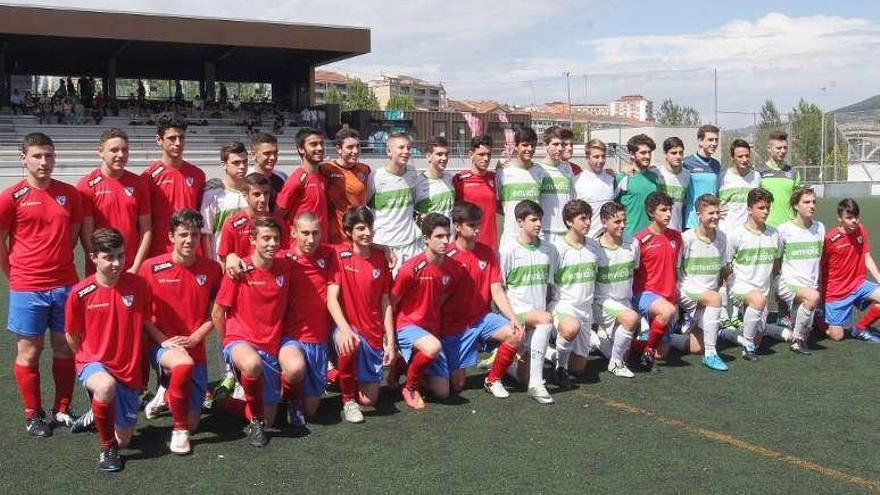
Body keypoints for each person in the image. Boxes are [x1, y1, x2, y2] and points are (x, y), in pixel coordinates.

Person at [0, 132, 82, 437]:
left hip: (64, 285)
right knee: (30, 351)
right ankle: (33, 414)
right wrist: (15, 277)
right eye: (37, 156)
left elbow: (73, 234)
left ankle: (62, 408)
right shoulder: (11, 196)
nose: (44, 161)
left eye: (49, 155)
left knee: (65, 347)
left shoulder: (69, 194)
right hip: (27, 287)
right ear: (24, 158)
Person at [65, 228, 152, 471]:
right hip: (94, 363)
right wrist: (85, 360)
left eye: (121, 256)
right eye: (109, 257)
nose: (117, 263)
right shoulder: (80, 293)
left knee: (125, 441)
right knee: (104, 386)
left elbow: (145, 321)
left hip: (128, 368)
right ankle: (106, 448)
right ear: (93, 257)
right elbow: (72, 335)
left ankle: (98, 413)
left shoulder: (139, 285)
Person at [139, 210, 221, 454]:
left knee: (196, 422)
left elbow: (215, 316)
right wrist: (163, 340)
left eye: (195, 235)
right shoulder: (151, 268)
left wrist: (196, 338)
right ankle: (179, 430)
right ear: (170, 237)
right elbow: (140, 314)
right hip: (161, 346)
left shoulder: (213, 269)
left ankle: (167, 390)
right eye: (183, 234)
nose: (189, 240)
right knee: (181, 367)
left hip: (195, 347)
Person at [211, 217, 291, 447]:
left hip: (270, 346)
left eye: (276, 238)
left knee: (271, 419)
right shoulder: (239, 270)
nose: (272, 243)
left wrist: (382, 247)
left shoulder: (285, 266)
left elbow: (310, 248)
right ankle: (254, 422)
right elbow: (218, 313)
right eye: (266, 238)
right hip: (240, 341)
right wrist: (229, 347)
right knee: (251, 364)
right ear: (253, 240)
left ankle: (223, 403)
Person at [443, 201, 524, 398]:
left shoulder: (487, 252)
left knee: (515, 333)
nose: (477, 229)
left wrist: (513, 317)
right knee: (456, 386)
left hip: (482, 319)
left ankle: (493, 379)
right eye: (472, 225)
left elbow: (496, 291)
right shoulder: (446, 255)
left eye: (478, 224)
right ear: (458, 226)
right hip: (454, 327)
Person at [326, 206, 396, 423]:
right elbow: (331, 299)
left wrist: (391, 343)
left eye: (369, 228)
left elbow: (386, 303)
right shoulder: (337, 254)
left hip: (373, 333)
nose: (367, 232)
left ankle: (335, 376)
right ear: (348, 232)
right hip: (348, 329)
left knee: (369, 399)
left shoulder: (380, 258)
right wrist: (345, 328)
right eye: (360, 228)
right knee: (349, 343)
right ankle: (347, 400)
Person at [391, 213, 466, 410]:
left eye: (447, 236)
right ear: (426, 239)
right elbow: (393, 302)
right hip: (407, 326)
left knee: (443, 392)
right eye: (439, 236)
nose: (445, 241)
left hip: (431, 331)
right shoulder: (410, 269)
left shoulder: (453, 269)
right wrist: (389, 337)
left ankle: (402, 365)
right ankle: (410, 387)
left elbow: (441, 300)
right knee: (432, 348)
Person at [278, 212, 336, 426]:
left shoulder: (329, 253)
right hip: (291, 339)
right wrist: (232, 257)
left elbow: (356, 246)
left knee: (311, 410)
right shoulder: (282, 258)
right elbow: (255, 260)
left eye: (315, 233)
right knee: (294, 369)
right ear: (293, 232)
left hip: (319, 341)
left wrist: (382, 247)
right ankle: (289, 396)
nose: (311, 239)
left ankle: (293, 392)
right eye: (304, 233)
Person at [499, 200, 556, 404]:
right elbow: (500, 288)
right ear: (520, 222)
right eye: (533, 220)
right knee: (546, 319)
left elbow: (549, 286)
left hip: (537, 314)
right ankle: (537, 384)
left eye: (540, 219)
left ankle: (506, 365)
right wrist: (510, 318)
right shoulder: (508, 249)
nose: (538, 223)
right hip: (518, 311)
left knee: (521, 379)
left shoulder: (549, 250)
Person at [77, 128, 152, 275]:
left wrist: (136, 266)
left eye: (124, 150)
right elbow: (86, 234)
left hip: (130, 268)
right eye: (114, 150)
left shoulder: (139, 183)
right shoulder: (86, 185)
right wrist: (100, 264)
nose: (121, 155)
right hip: (100, 270)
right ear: (101, 152)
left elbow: (146, 230)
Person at [718, 188, 781, 361]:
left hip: (763, 292)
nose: (766, 212)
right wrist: (730, 285)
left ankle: (726, 334)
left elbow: (776, 264)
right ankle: (747, 348)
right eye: (761, 208)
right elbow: (726, 264)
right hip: (740, 287)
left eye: (767, 207)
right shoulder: (736, 235)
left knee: (758, 336)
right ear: (749, 209)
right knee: (757, 304)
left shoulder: (774, 234)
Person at [669, 194, 728, 371]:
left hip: (708, 296)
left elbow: (723, 268)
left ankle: (666, 337)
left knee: (696, 347)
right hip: (689, 291)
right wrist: (675, 295)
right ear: (698, 214)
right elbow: (675, 268)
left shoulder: (722, 237)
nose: (715, 217)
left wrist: (724, 287)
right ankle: (711, 354)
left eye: (717, 212)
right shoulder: (686, 238)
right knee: (714, 299)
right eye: (710, 213)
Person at [763, 187, 823, 353]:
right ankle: (798, 342)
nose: (812, 206)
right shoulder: (784, 230)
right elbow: (777, 261)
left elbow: (819, 262)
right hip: (788, 284)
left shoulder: (820, 228)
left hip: (810, 287)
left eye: (813, 202)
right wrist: (776, 285)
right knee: (812, 300)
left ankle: (766, 328)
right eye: (806, 202)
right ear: (796, 205)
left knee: (804, 326)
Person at [628, 192, 682, 371]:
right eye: (663, 210)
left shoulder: (676, 237)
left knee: (663, 355)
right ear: (651, 212)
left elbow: (675, 268)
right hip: (645, 294)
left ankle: (628, 345)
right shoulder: (640, 239)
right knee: (666, 311)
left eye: (670, 210)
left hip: (667, 297)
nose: (668, 214)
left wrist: (676, 291)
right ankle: (648, 350)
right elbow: (632, 272)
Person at [548, 199, 599, 386]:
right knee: (569, 328)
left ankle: (548, 353)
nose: (588, 223)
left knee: (578, 369)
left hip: (586, 310)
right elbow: (548, 284)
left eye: (589, 218)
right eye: (582, 218)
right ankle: (560, 369)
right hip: (564, 306)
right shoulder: (557, 248)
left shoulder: (594, 246)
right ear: (569, 222)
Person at [142, 115, 206, 257]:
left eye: (181, 138)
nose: (178, 143)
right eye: (172, 138)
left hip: (192, 252)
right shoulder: (148, 177)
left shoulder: (198, 175)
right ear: (159, 140)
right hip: (161, 253)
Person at [820, 198, 880, 342]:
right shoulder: (829, 239)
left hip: (858, 284)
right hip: (836, 292)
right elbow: (820, 267)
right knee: (837, 336)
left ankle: (859, 329)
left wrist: (878, 278)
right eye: (849, 217)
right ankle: (817, 317)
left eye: (856, 217)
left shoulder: (860, 230)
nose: (854, 221)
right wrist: (820, 295)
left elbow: (866, 256)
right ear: (839, 218)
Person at [592, 202, 640, 378]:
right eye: (617, 222)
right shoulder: (594, 248)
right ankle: (616, 364)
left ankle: (597, 339)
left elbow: (634, 270)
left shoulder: (633, 243)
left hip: (624, 302)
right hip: (602, 302)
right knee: (631, 319)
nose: (623, 225)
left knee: (627, 349)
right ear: (604, 222)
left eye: (624, 220)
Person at [367, 132, 421, 274]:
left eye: (408, 148)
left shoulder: (412, 171)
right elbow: (364, 207)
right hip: (386, 246)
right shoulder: (376, 177)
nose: (406, 152)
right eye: (401, 147)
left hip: (412, 244)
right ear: (389, 151)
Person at [217, 173, 286, 278]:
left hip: (270, 279)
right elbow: (223, 260)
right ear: (245, 195)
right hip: (244, 282)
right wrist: (230, 257)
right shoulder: (232, 225)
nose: (263, 199)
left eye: (266, 193)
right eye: (257, 194)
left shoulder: (278, 222)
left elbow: (284, 253)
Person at [277, 127, 329, 244]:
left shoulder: (323, 176)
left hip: (321, 245)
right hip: (301, 248)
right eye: (313, 144)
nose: (320, 148)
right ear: (301, 149)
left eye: (321, 144)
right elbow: (278, 213)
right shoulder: (297, 180)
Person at [496, 127, 547, 246]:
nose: (529, 149)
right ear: (515, 146)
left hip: (536, 237)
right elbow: (498, 207)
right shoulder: (503, 172)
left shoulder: (540, 172)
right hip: (511, 237)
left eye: (532, 145)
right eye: (525, 145)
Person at [320, 128, 371, 244]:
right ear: (338, 148)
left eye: (358, 146)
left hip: (359, 235)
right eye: (350, 147)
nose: (355, 151)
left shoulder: (364, 169)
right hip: (335, 235)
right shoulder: (327, 169)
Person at [200, 142, 248, 260]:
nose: (242, 166)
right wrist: (210, 265)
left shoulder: (255, 192)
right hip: (222, 261)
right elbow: (206, 233)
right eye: (236, 163)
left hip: (250, 261)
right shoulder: (212, 194)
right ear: (224, 164)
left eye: (245, 161)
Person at [452, 135, 499, 248]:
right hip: (466, 244)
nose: (486, 159)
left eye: (488, 154)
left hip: (490, 243)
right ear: (470, 155)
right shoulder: (459, 179)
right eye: (481, 154)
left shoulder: (495, 178)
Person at [537, 127, 575, 244]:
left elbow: (573, 198)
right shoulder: (538, 170)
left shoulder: (567, 169)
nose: (560, 148)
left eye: (562, 144)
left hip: (566, 233)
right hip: (545, 234)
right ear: (545, 145)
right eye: (555, 144)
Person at [616, 134, 659, 236]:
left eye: (649, 153)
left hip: (651, 237)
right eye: (643, 153)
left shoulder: (655, 177)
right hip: (629, 237)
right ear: (631, 154)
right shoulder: (622, 177)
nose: (647, 156)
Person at [718, 139, 761, 235]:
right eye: (740, 156)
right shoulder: (722, 177)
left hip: (748, 233)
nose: (744, 159)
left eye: (747, 156)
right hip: (726, 232)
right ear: (732, 157)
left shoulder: (756, 176)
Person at [573, 138, 615, 238]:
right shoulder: (576, 181)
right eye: (596, 157)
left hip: (608, 239)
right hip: (587, 238)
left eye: (603, 156)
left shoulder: (612, 178)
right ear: (587, 157)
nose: (600, 160)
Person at [682, 124, 722, 229]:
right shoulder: (686, 163)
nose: (714, 143)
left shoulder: (716, 165)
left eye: (716, 140)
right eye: (710, 140)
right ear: (700, 141)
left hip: (712, 221)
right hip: (692, 222)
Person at [758, 131, 800, 228]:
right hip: (767, 226)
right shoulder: (759, 173)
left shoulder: (793, 172)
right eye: (779, 148)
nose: (783, 151)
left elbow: (798, 201)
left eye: (785, 148)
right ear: (769, 148)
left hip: (790, 226)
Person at [652, 137, 691, 231]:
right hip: (657, 231)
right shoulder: (655, 173)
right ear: (665, 154)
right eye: (673, 153)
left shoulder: (687, 175)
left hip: (676, 230)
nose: (678, 156)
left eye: (680, 152)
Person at [414, 136, 455, 221]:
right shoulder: (417, 184)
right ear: (428, 156)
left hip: (450, 234)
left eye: (446, 154)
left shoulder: (450, 179)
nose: (444, 158)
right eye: (439, 154)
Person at [249, 132, 287, 208]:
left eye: (275, 153)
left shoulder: (282, 178)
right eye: (267, 153)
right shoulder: (244, 179)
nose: (273, 157)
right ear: (253, 155)